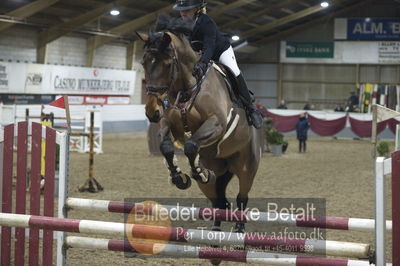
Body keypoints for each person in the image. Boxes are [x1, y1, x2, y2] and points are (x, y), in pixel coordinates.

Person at [172, 0, 263, 129]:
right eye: (181, 10)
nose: (183, 13)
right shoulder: (181, 25)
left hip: (220, 51)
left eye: (187, 9)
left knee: (234, 71)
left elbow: (210, 45)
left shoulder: (206, 22)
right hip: (199, 54)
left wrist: (203, 62)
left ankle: (251, 108)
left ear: (197, 9)